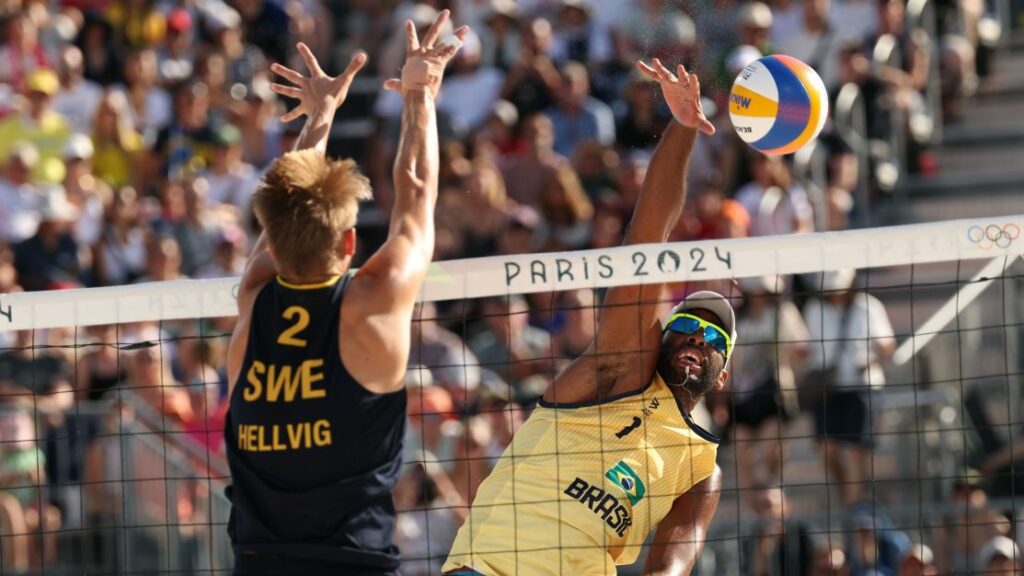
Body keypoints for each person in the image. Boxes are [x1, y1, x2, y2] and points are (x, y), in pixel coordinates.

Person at [444, 57, 727, 576]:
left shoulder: (701, 468)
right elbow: (647, 239)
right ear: (662, 335)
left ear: (723, 371)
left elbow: (675, 558)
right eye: (687, 324)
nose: (699, 337)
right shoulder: (617, 370)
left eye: (715, 337)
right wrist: (683, 130)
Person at [223, 11, 469, 576]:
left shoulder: (255, 296)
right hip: (352, 565)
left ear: (274, 247)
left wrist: (320, 117)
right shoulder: (370, 303)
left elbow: (286, 211)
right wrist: (419, 92)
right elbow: (414, 194)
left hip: (256, 564)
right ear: (351, 242)